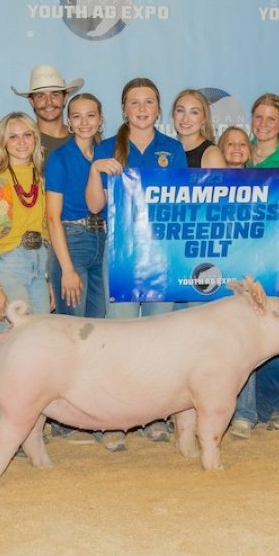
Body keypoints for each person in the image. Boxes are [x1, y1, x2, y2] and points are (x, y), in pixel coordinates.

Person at [86, 78, 187, 449]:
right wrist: (96, 170)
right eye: (134, 102)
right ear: (124, 109)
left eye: (149, 102)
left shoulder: (172, 149)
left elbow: (181, 204)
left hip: (163, 256)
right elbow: (95, 205)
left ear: (158, 109)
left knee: (160, 342)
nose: (142, 109)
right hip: (124, 255)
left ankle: (154, 416)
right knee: (121, 341)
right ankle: (114, 421)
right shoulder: (107, 148)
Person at [234, 93, 279, 434]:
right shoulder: (238, 150)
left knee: (270, 330)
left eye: (270, 119)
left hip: (272, 255)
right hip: (237, 252)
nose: (262, 124)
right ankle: (245, 408)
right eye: (258, 117)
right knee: (244, 332)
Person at [43, 93, 107, 445]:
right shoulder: (59, 158)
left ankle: (92, 413)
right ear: (69, 121)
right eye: (77, 116)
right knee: (72, 334)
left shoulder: (107, 154)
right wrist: (66, 267)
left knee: (97, 333)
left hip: (104, 240)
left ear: (100, 119)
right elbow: (52, 216)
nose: (84, 122)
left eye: (91, 116)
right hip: (73, 238)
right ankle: (65, 418)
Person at [0, 112, 50, 332]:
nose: (22, 142)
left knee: (42, 340)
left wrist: (50, 280)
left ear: (35, 138)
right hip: (9, 266)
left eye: (27, 135)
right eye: (13, 136)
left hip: (41, 263)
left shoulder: (43, 178)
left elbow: (48, 231)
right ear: (3, 143)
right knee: (17, 340)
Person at [12, 64, 83, 157]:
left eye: (55, 95)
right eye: (41, 96)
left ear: (65, 98)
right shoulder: (24, 143)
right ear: (32, 102)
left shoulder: (82, 137)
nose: (49, 102)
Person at [173, 89, 226, 169]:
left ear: (204, 118)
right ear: (173, 114)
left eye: (194, 112)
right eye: (180, 110)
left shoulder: (212, 155)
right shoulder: (165, 151)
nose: (185, 119)